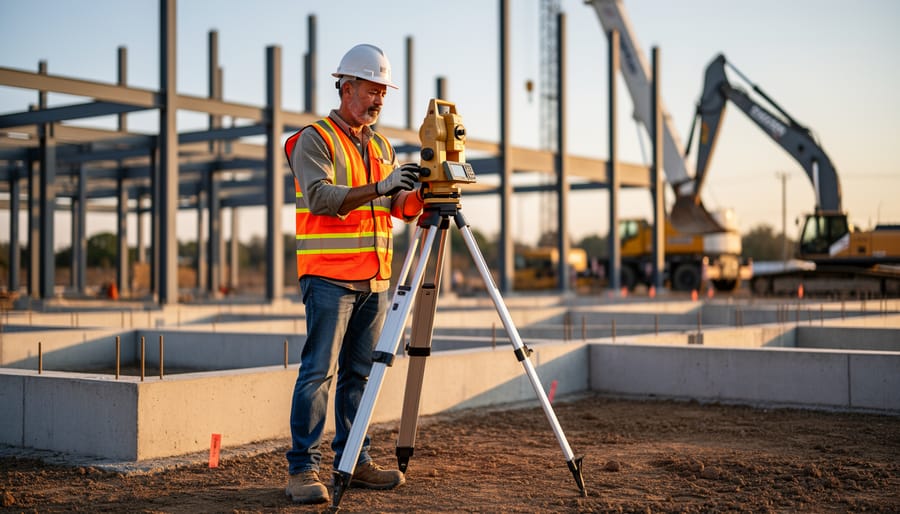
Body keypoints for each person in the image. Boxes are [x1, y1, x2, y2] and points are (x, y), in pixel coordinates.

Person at [282, 43, 425, 505]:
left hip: (374, 278)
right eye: (371, 90)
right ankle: (302, 470)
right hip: (328, 277)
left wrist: (420, 194)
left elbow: (391, 206)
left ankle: (356, 460)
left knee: (359, 376)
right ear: (346, 87)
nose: (379, 99)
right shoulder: (316, 138)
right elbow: (322, 197)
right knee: (317, 373)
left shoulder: (382, 145)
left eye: (383, 92)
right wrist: (381, 186)